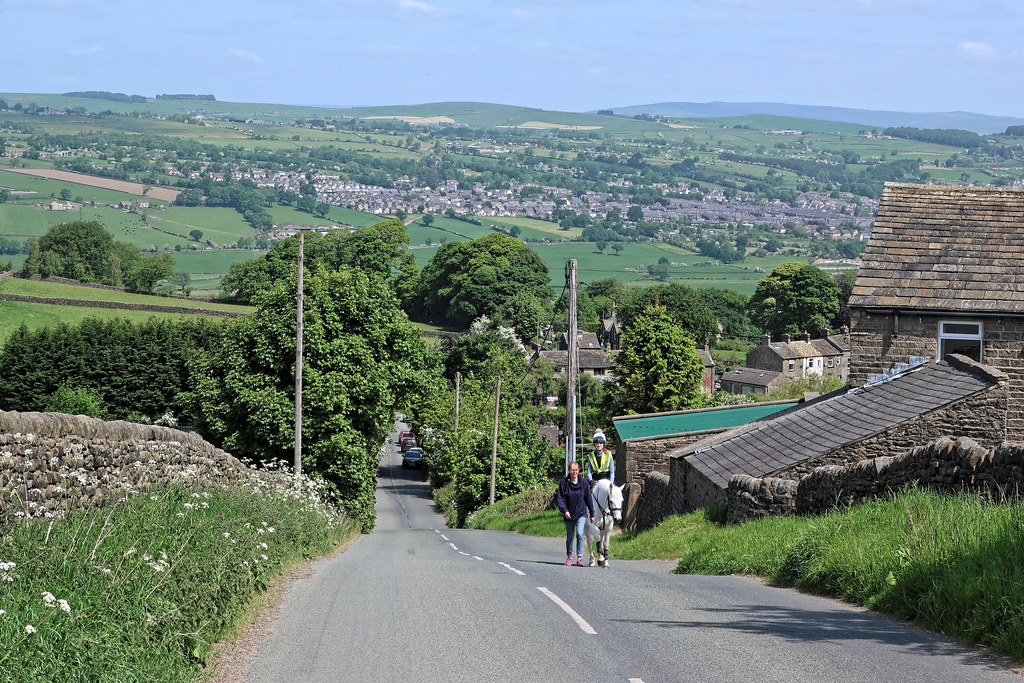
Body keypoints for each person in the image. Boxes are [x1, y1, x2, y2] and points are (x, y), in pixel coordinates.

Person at [554, 460, 594, 566]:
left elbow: (588, 498)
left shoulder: (584, 483)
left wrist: (592, 513)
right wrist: (565, 510)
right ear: (569, 471)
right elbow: (560, 499)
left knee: (580, 533)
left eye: (576, 470)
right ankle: (569, 557)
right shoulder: (564, 483)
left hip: (581, 512)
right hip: (569, 513)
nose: (574, 472)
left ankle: (580, 557)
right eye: (572, 470)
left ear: (579, 470)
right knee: (570, 536)